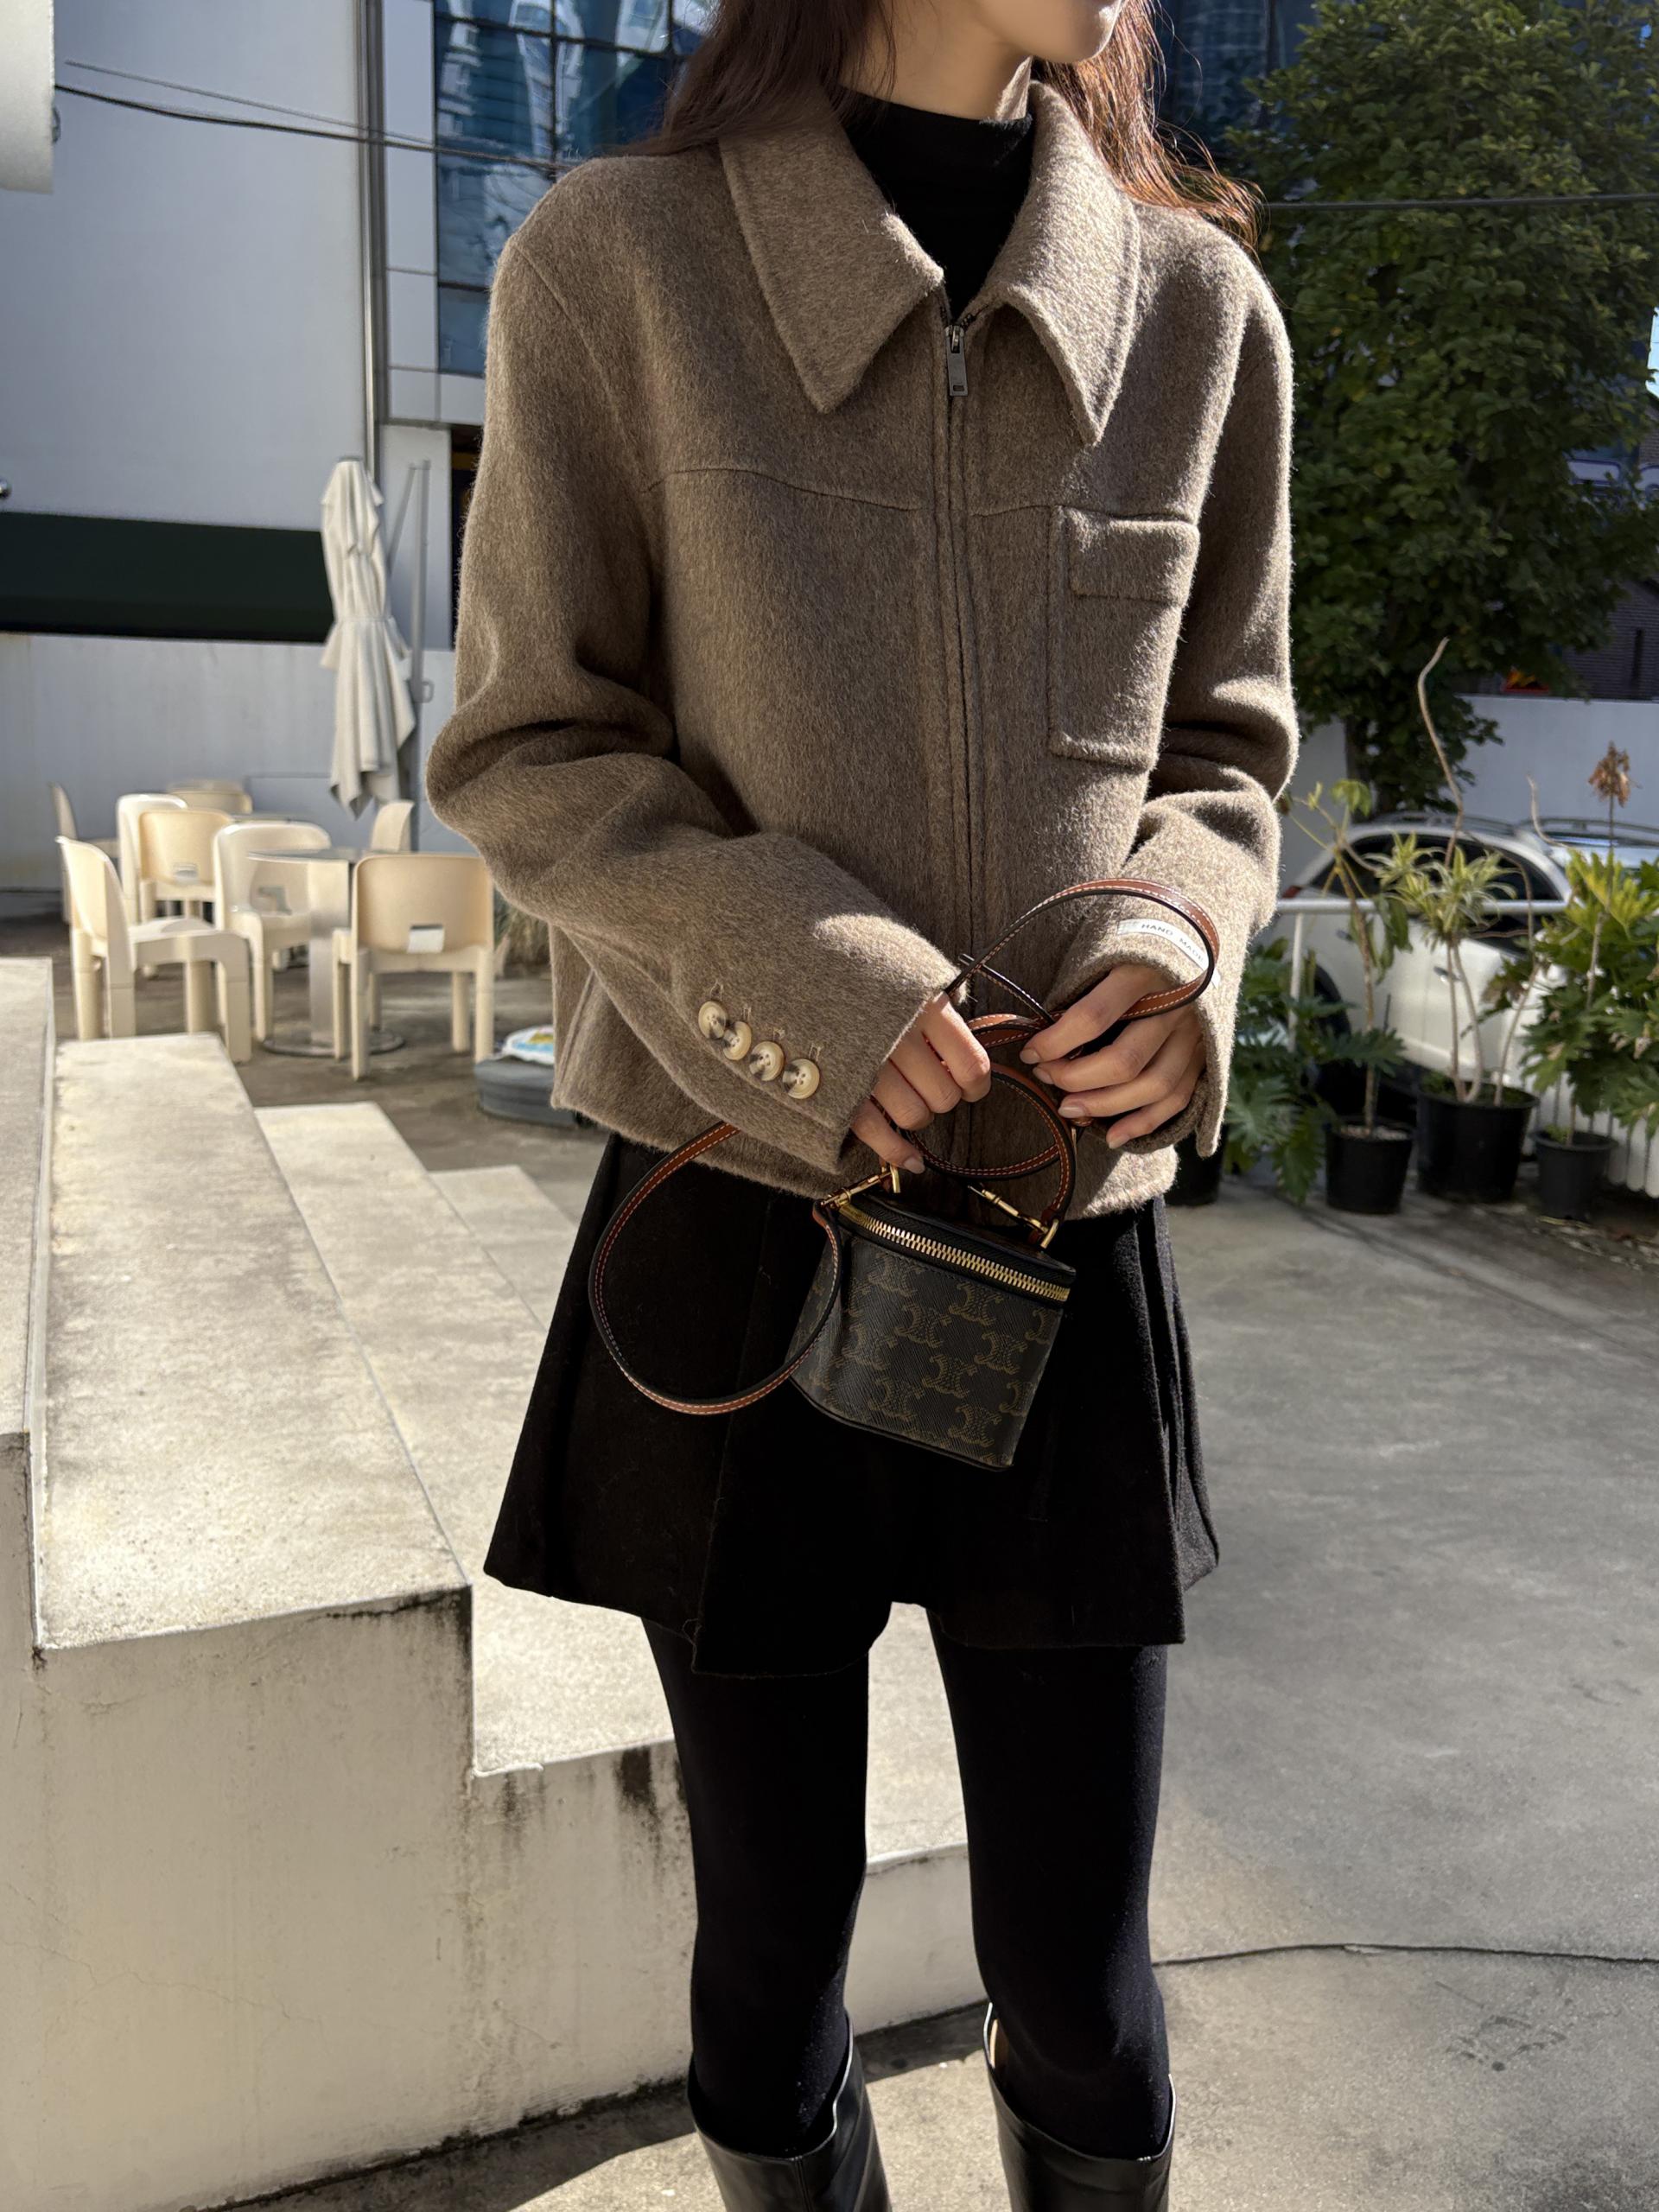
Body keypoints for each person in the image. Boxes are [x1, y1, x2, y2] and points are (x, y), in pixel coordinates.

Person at [425, 2, 1297, 2205]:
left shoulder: (1199, 314)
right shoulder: (618, 266)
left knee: (1079, 1973)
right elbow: (527, 745)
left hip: (1056, 1239)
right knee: (769, 1947)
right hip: (739, 1225)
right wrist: (817, 980)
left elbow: (1228, 748)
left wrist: (1183, 936)